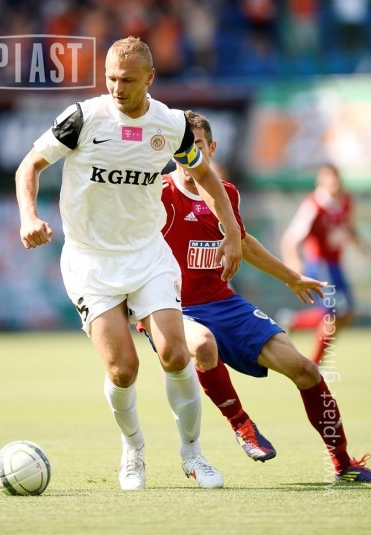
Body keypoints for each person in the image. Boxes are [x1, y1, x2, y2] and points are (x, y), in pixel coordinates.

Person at [15, 37, 243, 491]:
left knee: (175, 353)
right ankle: (133, 450)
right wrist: (28, 216)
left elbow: (204, 175)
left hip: (147, 254)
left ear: (150, 78)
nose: (118, 88)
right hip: (90, 260)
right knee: (123, 370)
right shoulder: (82, 118)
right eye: (111, 78)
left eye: (128, 80)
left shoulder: (172, 126)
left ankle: (193, 454)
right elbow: (30, 166)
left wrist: (232, 231)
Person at [138, 110, 371, 483]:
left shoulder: (226, 194)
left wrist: (292, 277)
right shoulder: (158, 192)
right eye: (181, 147)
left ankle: (344, 464)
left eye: (196, 146)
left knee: (305, 370)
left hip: (222, 302)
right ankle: (241, 424)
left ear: (211, 149)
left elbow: (244, 244)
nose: (188, 155)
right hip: (170, 306)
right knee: (203, 344)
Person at [281, 164, 366, 365]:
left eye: (336, 177)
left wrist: (362, 247)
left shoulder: (345, 201)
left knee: (347, 314)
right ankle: (316, 364)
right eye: (329, 178)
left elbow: (349, 227)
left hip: (336, 265)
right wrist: (293, 260)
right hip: (320, 265)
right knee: (332, 314)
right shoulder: (314, 204)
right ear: (321, 181)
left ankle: (294, 321)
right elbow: (291, 238)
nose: (334, 182)